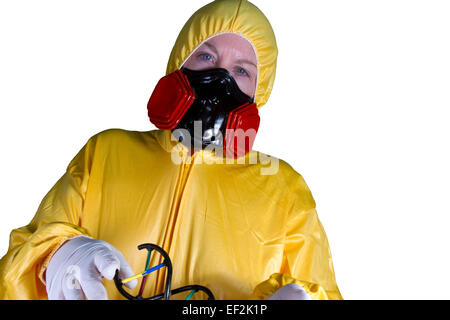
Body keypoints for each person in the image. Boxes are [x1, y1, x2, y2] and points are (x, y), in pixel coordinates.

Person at [0, 0, 342, 300]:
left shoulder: (284, 191)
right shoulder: (105, 153)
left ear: (258, 92)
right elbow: (19, 264)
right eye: (206, 55)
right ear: (179, 62)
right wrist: (56, 257)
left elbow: (321, 290)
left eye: (241, 70)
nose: (220, 76)